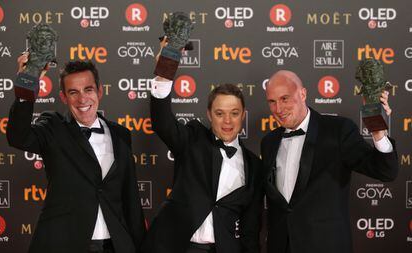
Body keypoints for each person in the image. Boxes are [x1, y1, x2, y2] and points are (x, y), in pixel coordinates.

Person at [7, 53, 145, 253]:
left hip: (115, 245)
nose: (82, 99)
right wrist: (26, 82)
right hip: (64, 244)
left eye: (88, 89)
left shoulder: (121, 134)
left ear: (99, 91)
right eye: (73, 92)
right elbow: (18, 137)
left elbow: (131, 200)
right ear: (63, 97)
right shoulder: (53, 127)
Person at [260, 70, 399, 253]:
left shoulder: (338, 130)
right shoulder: (269, 142)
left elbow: (385, 171)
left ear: (303, 94)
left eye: (285, 99)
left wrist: (377, 128)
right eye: (272, 101)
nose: (278, 109)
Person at [142, 46, 263, 253]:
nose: (227, 121)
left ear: (243, 115)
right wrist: (166, 67)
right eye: (219, 113)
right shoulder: (193, 139)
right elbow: (162, 122)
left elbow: (250, 229)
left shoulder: (255, 166)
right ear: (209, 114)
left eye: (234, 113)